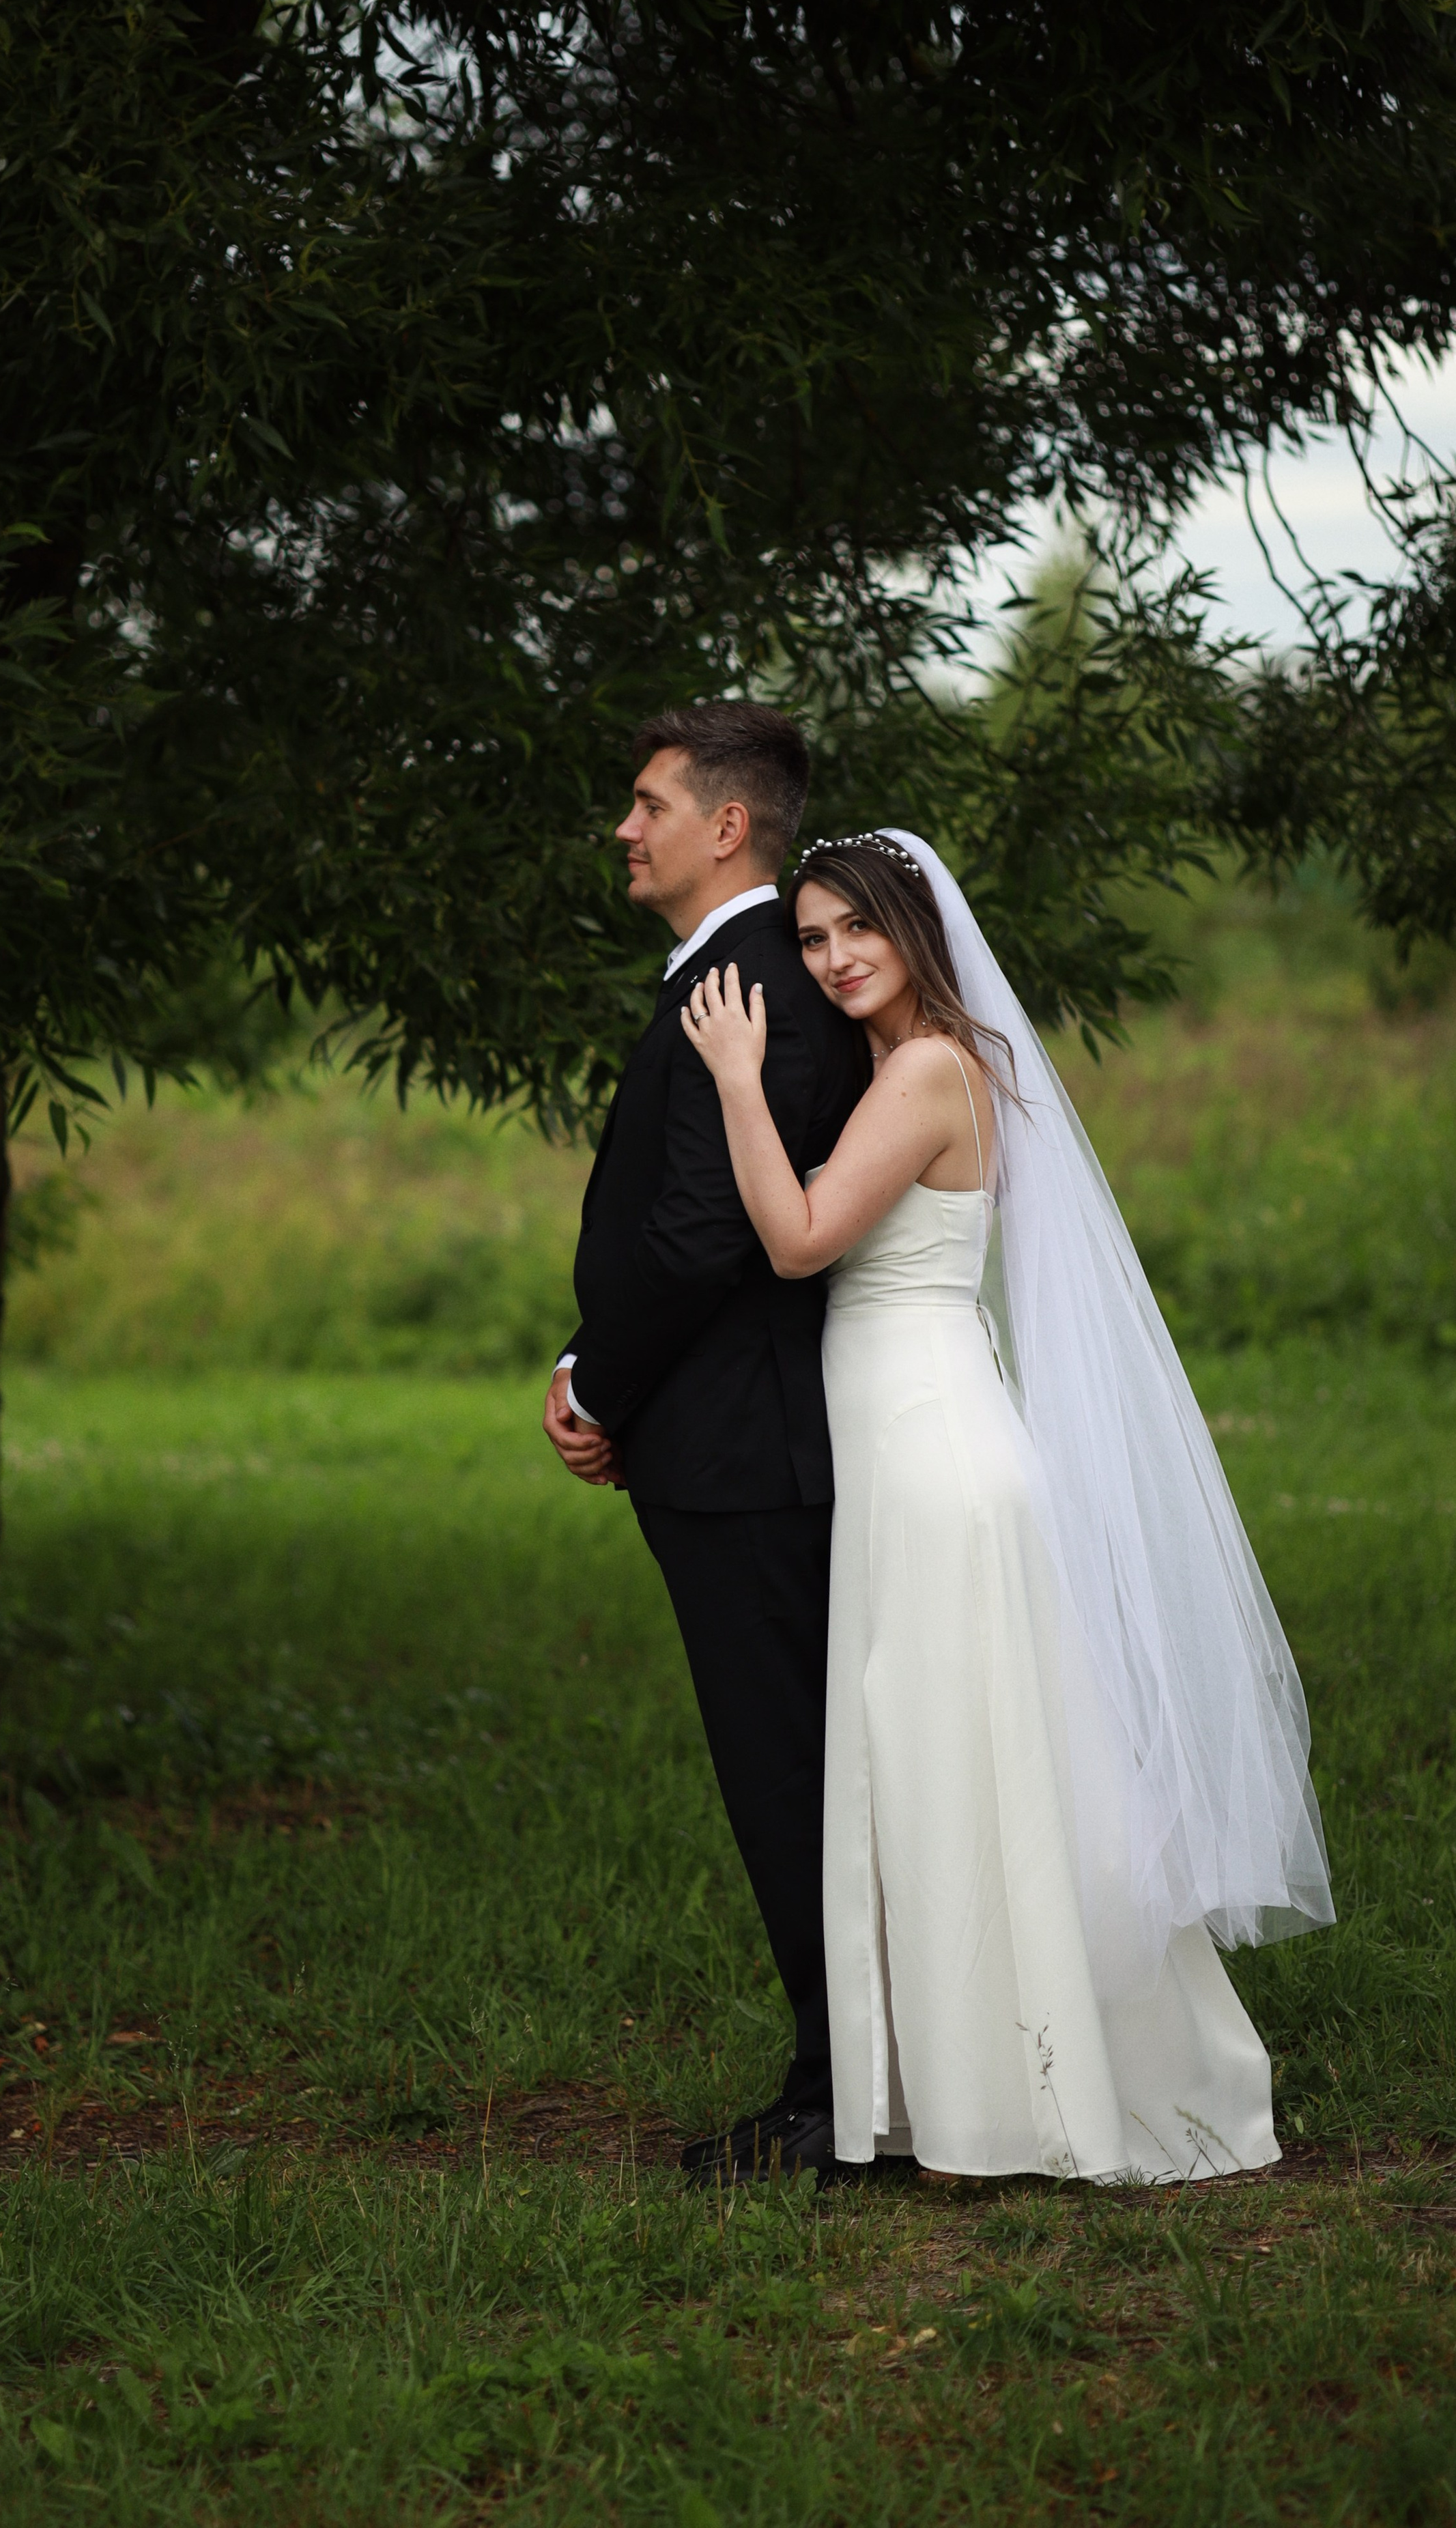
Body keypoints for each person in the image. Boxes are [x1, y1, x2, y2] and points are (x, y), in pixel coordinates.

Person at [681, 829, 1333, 2183]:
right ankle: (969, 2081)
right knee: (959, 1770)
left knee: (963, 1771)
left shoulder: (925, 1068)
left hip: (931, 1457)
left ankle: (1026, 2095)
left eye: (853, 928)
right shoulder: (913, 1065)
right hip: (916, 1440)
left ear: (917, 931)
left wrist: (737, 1080)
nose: (831, 957)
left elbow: (802, 1238)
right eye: (808, 939)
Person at [543, 704, 863, 2186]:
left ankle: (834, 2104)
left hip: (748, 1459)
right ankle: (850, 2075)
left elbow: (697, 1236)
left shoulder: (754, 991)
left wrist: (598, 1387)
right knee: (793, 1768)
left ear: (723, 825)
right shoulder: (730, 977)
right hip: (730, 1445)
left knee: (787, 1776)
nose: (626, 826)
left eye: (647, 800)